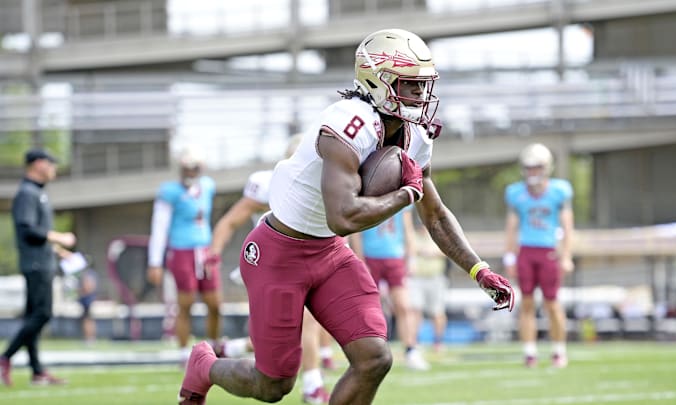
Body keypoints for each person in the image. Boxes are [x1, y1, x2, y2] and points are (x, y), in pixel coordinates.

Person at [178, 28, 514, 405]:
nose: (421, 96)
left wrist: (478, 269)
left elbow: (434, 215)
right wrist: (405, 194)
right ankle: (204, 365)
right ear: (378, 81)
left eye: (423, 86)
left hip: (329, 253)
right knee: (273, 386)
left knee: (374, 358)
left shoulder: (416, 136)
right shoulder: (347, 122)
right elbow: (343, 216)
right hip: (279, 252)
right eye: (410, 86)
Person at [204, 134, 332, 404]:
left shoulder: (328, 182)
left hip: (307, 262)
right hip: (271, 266)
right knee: (280, 337)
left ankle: (309, 384)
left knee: (302, 325)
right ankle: (311, 385)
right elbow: (230, 221)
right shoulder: (270, 186)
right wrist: (214, 253)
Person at [1, 148, 77, 387]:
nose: (54, 169)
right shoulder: (27, 193)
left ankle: (37, 371)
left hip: (42, 260)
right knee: (42, 314)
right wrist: (59, 237)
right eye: (51, 164)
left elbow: (37, 234)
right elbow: (27, 229)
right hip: (35, 264)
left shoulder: (38, 193)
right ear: (38, 164)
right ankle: (5, 358)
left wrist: (58, 251)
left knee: (32, 317)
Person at [147, 147, 222, 364]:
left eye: (194, 167)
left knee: (215, 303)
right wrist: (155, 261)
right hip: (182, 251)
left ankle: (214, 346)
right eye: (187, 167)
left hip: (205, 250)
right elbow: (159, 227)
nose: (190, 172)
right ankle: (183, 352)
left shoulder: (207, 186)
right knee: (186, 303)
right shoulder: (170, 191)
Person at [503, 143, 574, 368]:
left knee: (552, 303)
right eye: (529, 167)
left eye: (536, 167)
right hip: (526, 251)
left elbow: (568, 227)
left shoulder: (559, 191)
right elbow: (512, 227)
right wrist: (509, 256)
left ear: (546, 167)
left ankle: (559, 350)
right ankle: (530, 352)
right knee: (526, 303)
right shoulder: (516, 193)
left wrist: (566, 255)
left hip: (549, 251)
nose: (532, 172)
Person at [348, 209, 429, 371]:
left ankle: (411, 350)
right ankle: (371, 350)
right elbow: (356, 231)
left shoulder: (399, 193)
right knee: (369, 307)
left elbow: (407, 228)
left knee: (404, 305)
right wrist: (360, 260)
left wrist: (411, 257)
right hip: (370, 256)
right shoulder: (367, 192)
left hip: (394, 256)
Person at [407, 224, 449, 353]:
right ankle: (414, 342)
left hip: (435, 278)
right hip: (416, 279)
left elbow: (448, 250)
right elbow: (408, 249)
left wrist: (433, 253)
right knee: (415, 310)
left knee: (437, 312)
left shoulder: (438, 235)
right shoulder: (412, 235)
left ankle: (438, 342)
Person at [56, 248, 98, 345]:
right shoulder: (87, 273)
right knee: (86, 318)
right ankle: (88, 338)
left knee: (87, 319)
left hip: (87, 299)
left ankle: (90, 338)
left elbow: (88, 287)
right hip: (86, 299)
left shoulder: (88, 274)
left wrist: (78, 292)